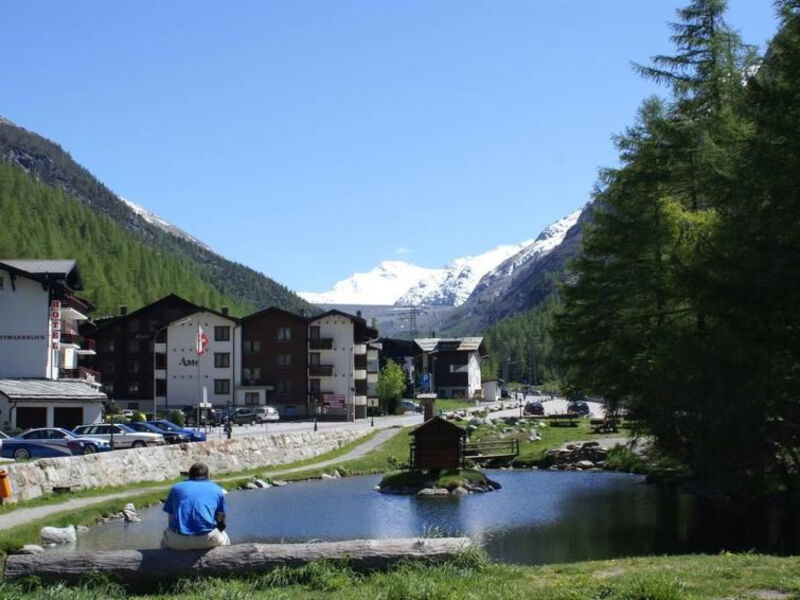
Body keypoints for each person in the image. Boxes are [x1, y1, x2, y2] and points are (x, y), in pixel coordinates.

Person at [161, 462, 230, 550]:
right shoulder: (217, 489)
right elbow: (222, 522)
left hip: (178, 541)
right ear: (208, 475)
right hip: (207, 540)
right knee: (225, 536)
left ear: (189, 475)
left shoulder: (176, 488)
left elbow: (170, 519)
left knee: (164, 540)